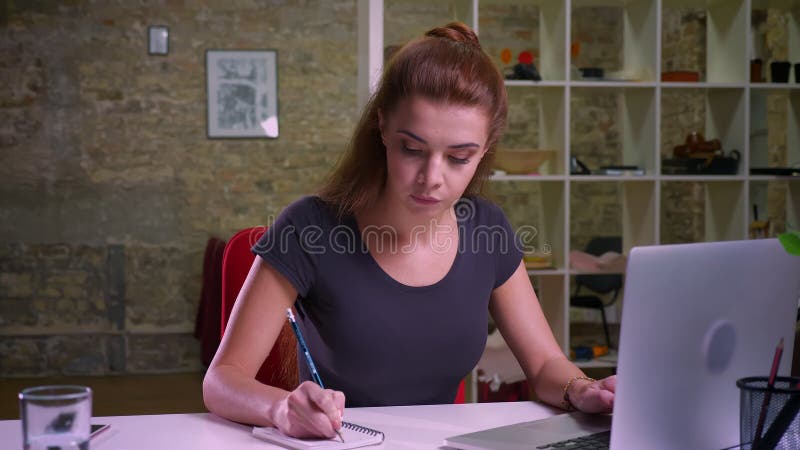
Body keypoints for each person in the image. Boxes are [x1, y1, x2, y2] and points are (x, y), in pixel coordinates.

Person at [203, 21, 616, 440]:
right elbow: (222, 379)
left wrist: (582, 390)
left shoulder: (487, 230)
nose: (432, 178)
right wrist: (280, 408)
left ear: (485, 149)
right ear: (382, 127)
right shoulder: (308, 228)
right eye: (412, 149)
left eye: (459, 157)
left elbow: (545, 366)